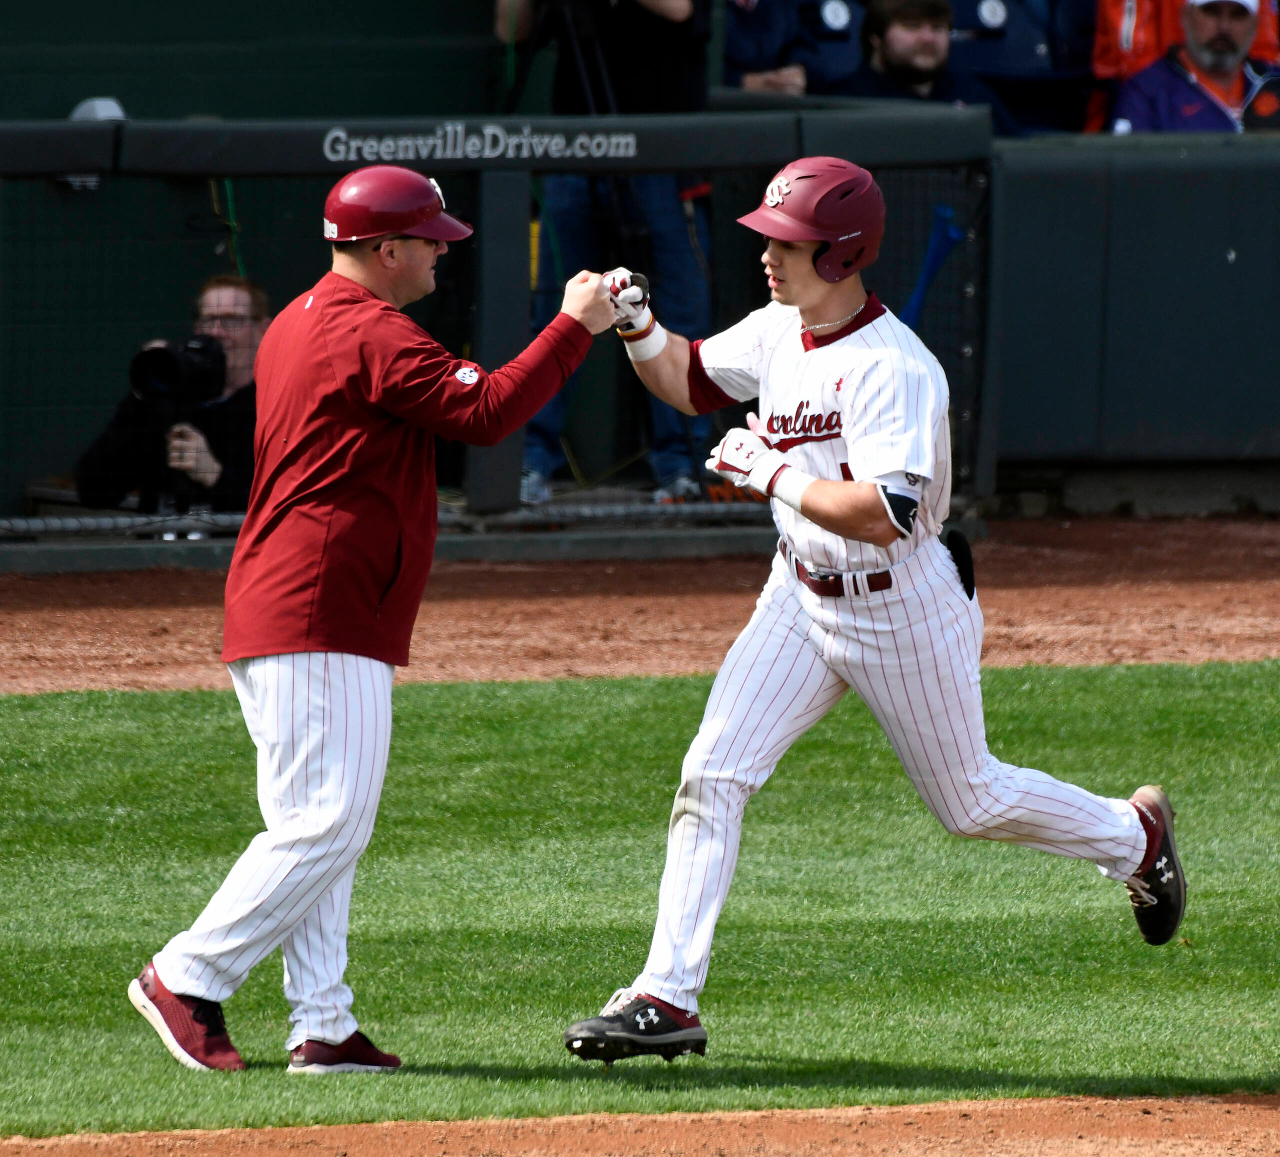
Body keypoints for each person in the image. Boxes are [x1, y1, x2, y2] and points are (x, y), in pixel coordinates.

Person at [562, 157, 1186, 1066]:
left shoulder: (897, 368)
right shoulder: (781, 327)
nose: (768, 256)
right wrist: (637, 324)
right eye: (769, 239)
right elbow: (692, 381)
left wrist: (770, 471)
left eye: (788, 242)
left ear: (842, 248)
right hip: (797, 596)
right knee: (712, 771)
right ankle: (667, 993)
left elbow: (887, 517)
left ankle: (1135, 837)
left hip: (900, 606)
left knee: (968, 801)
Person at [127, 165, 615, 1073]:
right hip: (320, 604)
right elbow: (485, 410)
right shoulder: (370, 330)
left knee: (314, 825)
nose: (442, 250)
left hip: (294, 600)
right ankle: (186, 975)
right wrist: (573, 326)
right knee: (328, 823)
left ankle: (322, 1022)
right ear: (386, 251)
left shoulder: (305, 318)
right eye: (430, 239)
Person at [496, 0, 716, 504]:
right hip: (576, 147)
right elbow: (510, 28)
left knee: (676, 314)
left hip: (662, 150)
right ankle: (530, 461)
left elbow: (680, 8)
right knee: (558, 308)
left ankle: (682, 469)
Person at [74, 275, 268, 513]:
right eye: (208, 320)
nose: (217, 332)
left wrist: (213, 474)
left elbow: (284, 513)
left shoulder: (272, 406)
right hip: (158, 547)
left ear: (263, 330)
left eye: (232, 320)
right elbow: (93, 490)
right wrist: (144, 392)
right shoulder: (170, 402)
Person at [834, 0, 1020, 133]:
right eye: (912, 26)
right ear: (876, 36)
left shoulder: (974, 95)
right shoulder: (845, 103)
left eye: (937, 28)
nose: (928, 38)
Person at [1111, 0, 1280, 129]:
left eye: (1237, 15)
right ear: (1185, 15)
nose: (1224, 26)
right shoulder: (1148, 94)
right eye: (1212, 12)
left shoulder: (1273, 83)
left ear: (1255, 24)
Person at [725, 0, 863, 96]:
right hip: (721, 110)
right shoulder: (710, 8)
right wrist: (740, 82)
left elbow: (802, 41)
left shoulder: (785, 4)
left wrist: (799, 70)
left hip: (782, 108)